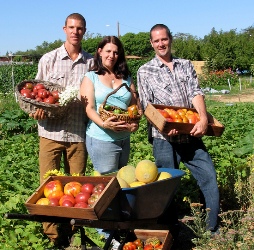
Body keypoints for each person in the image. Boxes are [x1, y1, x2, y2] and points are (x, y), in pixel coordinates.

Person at [137, 24, 220, 234]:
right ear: (151, 43)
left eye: (163, 39)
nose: (160, 44)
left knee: (208, 175)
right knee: (166, 186)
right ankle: (169, 231)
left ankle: (211, 228)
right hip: (163, 139)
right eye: (156, 41)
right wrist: (164, 126)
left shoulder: (185, 65)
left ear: (170, 39)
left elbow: (195, 92)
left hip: (190, 133)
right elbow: (147, 107)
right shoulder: (144, 70)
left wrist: (202, 118)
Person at [30, 13, 93, 247]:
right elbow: (37, 94)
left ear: (84, 31)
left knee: (77, 188)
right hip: (50, 132)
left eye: (80, 28)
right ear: (64, 29)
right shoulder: (49, 59)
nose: (75, 32)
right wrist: (37, 110)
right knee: (48, 185)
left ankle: (76, 232)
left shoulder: (92, 63)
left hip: (78, 133)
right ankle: (53, 236)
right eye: (72, 27)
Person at [80, 35, 139, 175]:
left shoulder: (127, 78)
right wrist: (105, 124)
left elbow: (134, 107)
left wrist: (135, 122)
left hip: (124, 138)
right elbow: (89, 108)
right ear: (100, 51)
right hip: (102, 139)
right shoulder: (91, 77)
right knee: (107, 182)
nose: (111, 55)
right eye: (108, 51)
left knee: (122, 180)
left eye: (116, 52)